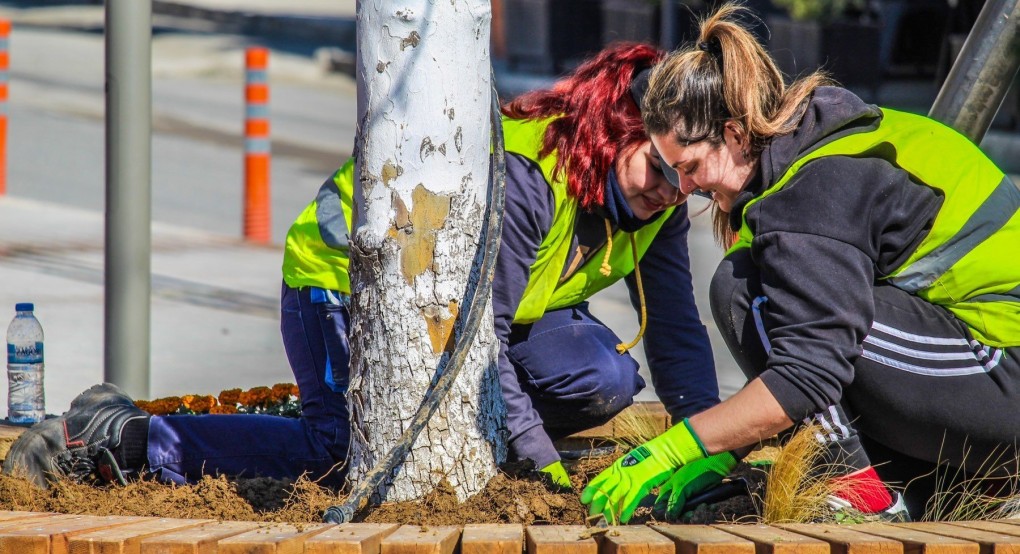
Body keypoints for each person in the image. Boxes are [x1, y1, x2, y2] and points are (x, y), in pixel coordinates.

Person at [3, 42, 719, 491]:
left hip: (453, 312)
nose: (670, 190)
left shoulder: (652, 203)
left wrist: (704, 448)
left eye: (684, 177)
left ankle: (466, 427)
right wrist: (543, 465)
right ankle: (118, 437)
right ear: (611, 133)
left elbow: (680, 334)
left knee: (607, 374)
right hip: (342, 283)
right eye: (658, 167)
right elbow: (486, 336)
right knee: (346, 453)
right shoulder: (534, 177)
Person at [581, 2, 1020, 524]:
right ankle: (925, 488)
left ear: (736, 135)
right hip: (976, 372)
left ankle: (866, 499)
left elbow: (807, 373)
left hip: (1004, 374)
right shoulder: (809, 139)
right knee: (758, 291)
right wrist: (728, 448)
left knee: (753, 295)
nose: (684, 189)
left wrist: (677, 447)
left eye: (690, 166)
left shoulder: (814, 191)